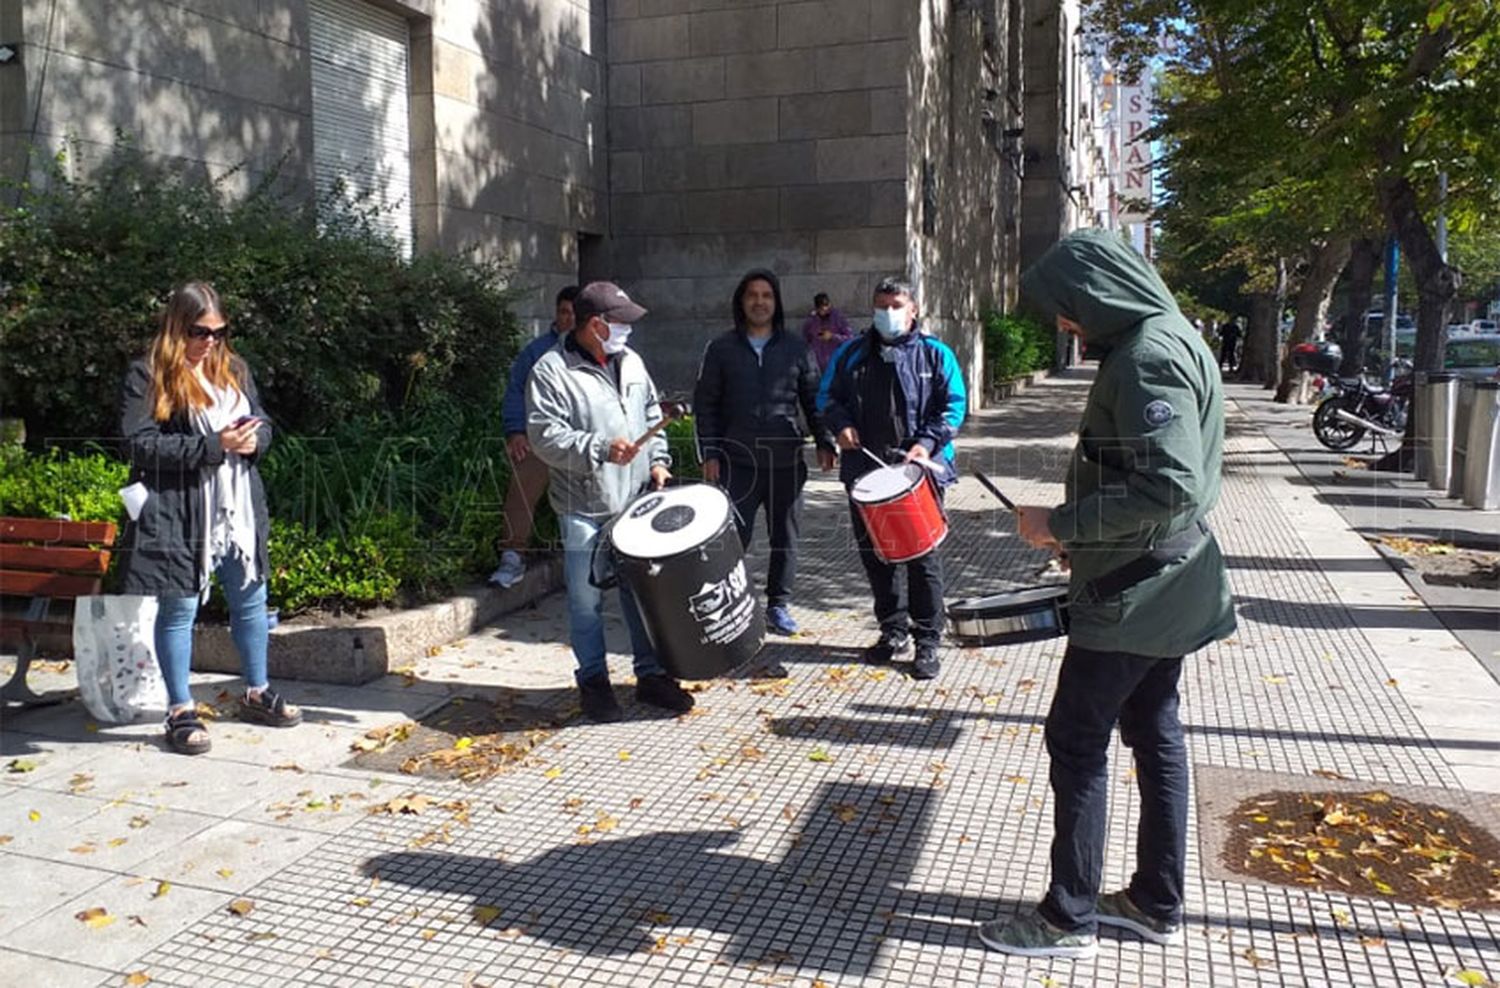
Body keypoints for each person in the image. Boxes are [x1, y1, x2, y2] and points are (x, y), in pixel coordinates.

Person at [979, 229, 1235, 958]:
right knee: (1155, 733)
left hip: (1135, 598)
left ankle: (1067, 918)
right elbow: (1154, 482)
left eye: (1068, 308)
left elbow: (1170, 482)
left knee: (1078, 741)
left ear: (1097, 292)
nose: (1065, 324)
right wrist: (1080, 540)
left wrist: (1060, 522)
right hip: (1163, 578)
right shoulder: (1171, 337)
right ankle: (1155, 901)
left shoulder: (1147, 357)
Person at [117, 282, 301, 756]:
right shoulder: (149, 374)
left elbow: (263, 422)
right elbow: (138, 444)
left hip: (238, 507)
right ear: (178, 327)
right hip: (180, 509)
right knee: (179, 608)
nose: (211, 342)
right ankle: (180, 709)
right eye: (201, 332)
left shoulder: (234, 369)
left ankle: (257, 691)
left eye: (220, 332)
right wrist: (212, 446)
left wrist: (253, 440)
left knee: (251, 600)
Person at [526, 281, 695, 723]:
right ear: (596, 325)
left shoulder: (633, 362)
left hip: (635, 501)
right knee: (586, 601)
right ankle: (595, 683)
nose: (628, 331)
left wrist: (658, 462)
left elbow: (652, 417)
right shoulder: (551, 370)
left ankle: (652, 676)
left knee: (642, 595)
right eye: (621, 322)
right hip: (583, 504)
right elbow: (545, 435)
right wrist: (599, 447)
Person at [816, 276, 966, 680]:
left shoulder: (936, 355)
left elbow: (953, 406)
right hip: (865, 473)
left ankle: (928, 641)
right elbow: (825, 397)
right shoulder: (849, 355)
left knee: (922, 559)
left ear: (913, 309)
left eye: (896, 305)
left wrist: (928, 444)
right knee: (876, 558)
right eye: (881, 306)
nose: (889, 313)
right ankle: (892, 630)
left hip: (918, 473)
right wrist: (840, 425)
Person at [693, 269, 827, 637]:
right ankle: (731, 606)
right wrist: (710, 453)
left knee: (786, 538)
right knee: (733, 538)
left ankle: (778, 605)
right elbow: (705, 404)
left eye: (767, 295)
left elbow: (814, 401)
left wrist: (825, 441)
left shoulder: (796, 349)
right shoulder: (720, 349)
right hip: (738, 463)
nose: (759, 302)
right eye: (752, 295)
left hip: (786, 462)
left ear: (776, 302)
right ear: (741, 302)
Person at [491, 285, 579, 588]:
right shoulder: (537, 351)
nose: (568, 319)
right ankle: (512, 557)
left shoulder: (594, 352)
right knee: (522, 486)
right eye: (563, 312)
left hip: (581, 441)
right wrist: (515, 432)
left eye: (574, 313)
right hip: (540, 438)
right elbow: (515, 391)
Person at [801, 292, 854, 371]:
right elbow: (805, 338)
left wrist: (832, 336)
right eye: (821, 308)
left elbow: (850, 338)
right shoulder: (812, 320)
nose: (825, 309)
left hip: (835, 364)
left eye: (826, 305)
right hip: (817, 366)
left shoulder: (837, 318)